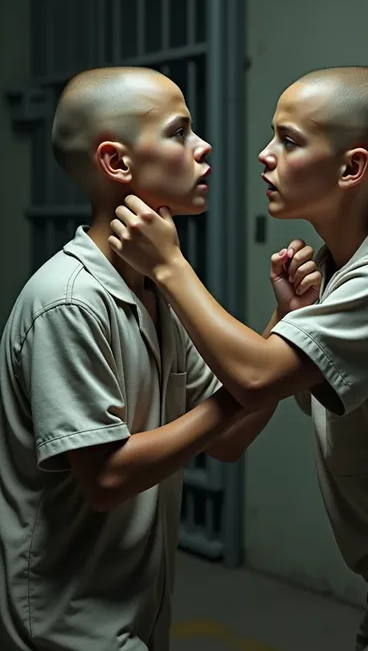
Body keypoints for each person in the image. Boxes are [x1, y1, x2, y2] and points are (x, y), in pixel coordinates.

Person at [109, 66, 368, 651]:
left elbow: (255, 377)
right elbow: (257, 407)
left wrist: (169, 265)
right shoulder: (339, 274)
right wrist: (293, 319)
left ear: (352, 167)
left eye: (289, 140)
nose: (264, 154)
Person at [0, 66, 321, 651]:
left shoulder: (156, 287)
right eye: (179, 132)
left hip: (139, 613)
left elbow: (226, 441)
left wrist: (285, 325)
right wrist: (257, 379)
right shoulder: (68, 302)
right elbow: (106, 478)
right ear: (117, 164)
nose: (203, 148)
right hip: (68, 628)